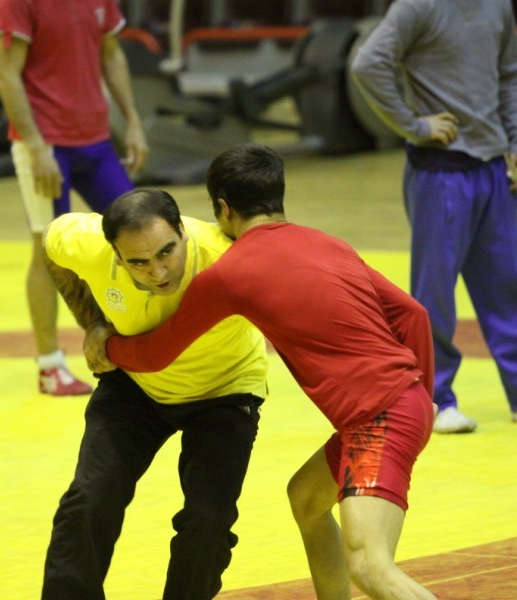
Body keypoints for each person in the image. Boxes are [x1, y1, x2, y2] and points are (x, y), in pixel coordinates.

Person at [102, 144, 438, 599]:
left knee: (369, 566)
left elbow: (157, 353)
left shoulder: (230, 272)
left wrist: (107, 346)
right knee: (307, 499)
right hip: (403, 402)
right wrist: (423, 402)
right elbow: (413, 314)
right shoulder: (328, 243)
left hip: (377, 419)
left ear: (223, 208)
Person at [349, 0, 517, 433]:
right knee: (435, 293)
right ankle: (435, 399)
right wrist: (414, 126)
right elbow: (367, 65)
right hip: (440, 170)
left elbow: (511, 75)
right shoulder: (418, 6)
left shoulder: (496, 5)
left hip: (493, 167)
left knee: (509, 286)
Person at [40, 189, 269, 598]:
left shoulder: (225, 257)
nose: (159, 272)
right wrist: (93, 322)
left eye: (167, 252)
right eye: (139, 263)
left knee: (208, 520)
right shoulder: (88, 243)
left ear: (182, 230)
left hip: (224, 390)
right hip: (135, 383)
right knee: (89, 500)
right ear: (115, 255)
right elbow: (51, 244)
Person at [0, 0, 149, 395]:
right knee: (46, 250)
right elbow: (6, 75)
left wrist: (133, 121)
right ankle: (49, 366)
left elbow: (112, 54)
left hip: (95, 140)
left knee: (138, 231)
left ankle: (143, 344)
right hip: (45, 143)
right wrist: (34, 146)